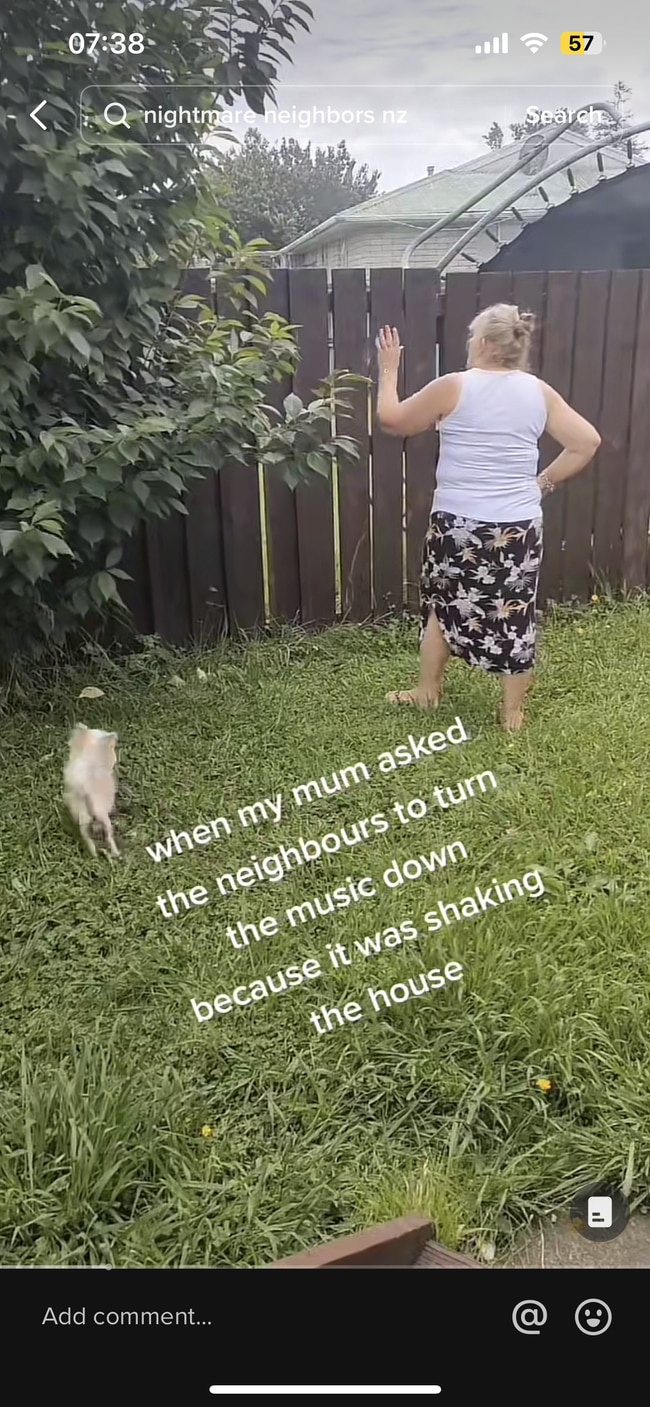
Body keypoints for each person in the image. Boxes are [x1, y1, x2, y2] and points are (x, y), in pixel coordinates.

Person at [375, 304, 601, 730]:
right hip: (517, 527)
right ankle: (512, 713)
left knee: (443, 605)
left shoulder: (454, 386)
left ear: (480, 343)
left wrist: (389, 370)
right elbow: (586, 442)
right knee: (515, 613)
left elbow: (392, 420)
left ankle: (428, 690)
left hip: (458, 526)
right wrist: (541, 484)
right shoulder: (539, 391)